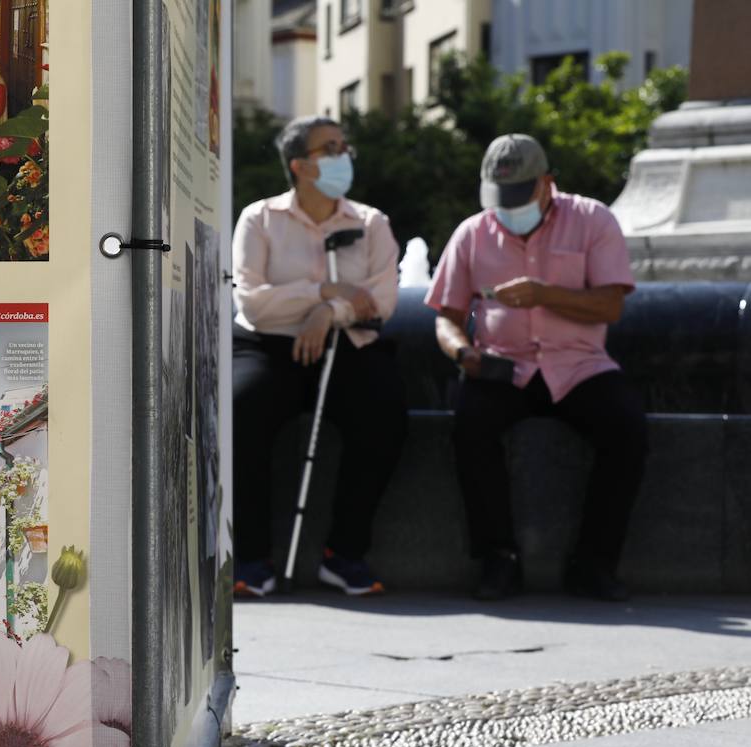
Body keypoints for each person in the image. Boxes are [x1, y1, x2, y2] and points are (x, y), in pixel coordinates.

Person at [427, 133, 645, 602]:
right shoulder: (472, 232)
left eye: (519, 196)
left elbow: (610, 305)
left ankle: (594, 562)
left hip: (579, 365)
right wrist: (463, 353)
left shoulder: (592, 220)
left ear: (547, 183)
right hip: (503, 366)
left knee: (626, 428)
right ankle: (497, 558)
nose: (507, 208)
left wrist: (545, 294)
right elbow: (445, 316)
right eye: (498, 198)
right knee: (470, 427)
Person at [231, 115, 405, 598]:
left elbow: (382, 300)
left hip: (345, 341)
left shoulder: (371, 224)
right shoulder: (259, 218)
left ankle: (344, 554)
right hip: (269, 344)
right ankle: (251, 557)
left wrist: (329, 311)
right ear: (301, 166)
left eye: (344, 145)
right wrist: (322, 289)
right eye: (331, 147)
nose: (344, 154)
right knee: (242, 409)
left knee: (384, 412)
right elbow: (253, 301)